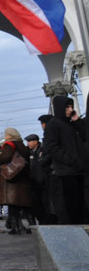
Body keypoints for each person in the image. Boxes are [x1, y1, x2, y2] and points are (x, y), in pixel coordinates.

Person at [43, 96, 88, 225]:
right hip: (65, 172)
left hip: (77, 170)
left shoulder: (71, 124)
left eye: (71, 107)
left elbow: (84, 137)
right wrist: (72, 160)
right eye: (67, 107)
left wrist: (77, 121)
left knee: (79, 205)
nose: (70, 110)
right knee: (70, 206)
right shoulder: (54, 125)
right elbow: (53, 147)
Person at [0, 127, 33, 235]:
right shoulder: (22, 145)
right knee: (26, 204)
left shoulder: (9, 145)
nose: (5, 136)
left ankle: (16, 227)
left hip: (11, 178)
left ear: (9, 135)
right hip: (23, 177)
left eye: (6, 134)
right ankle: (32, 225)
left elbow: (6, 157)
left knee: (13, 205)